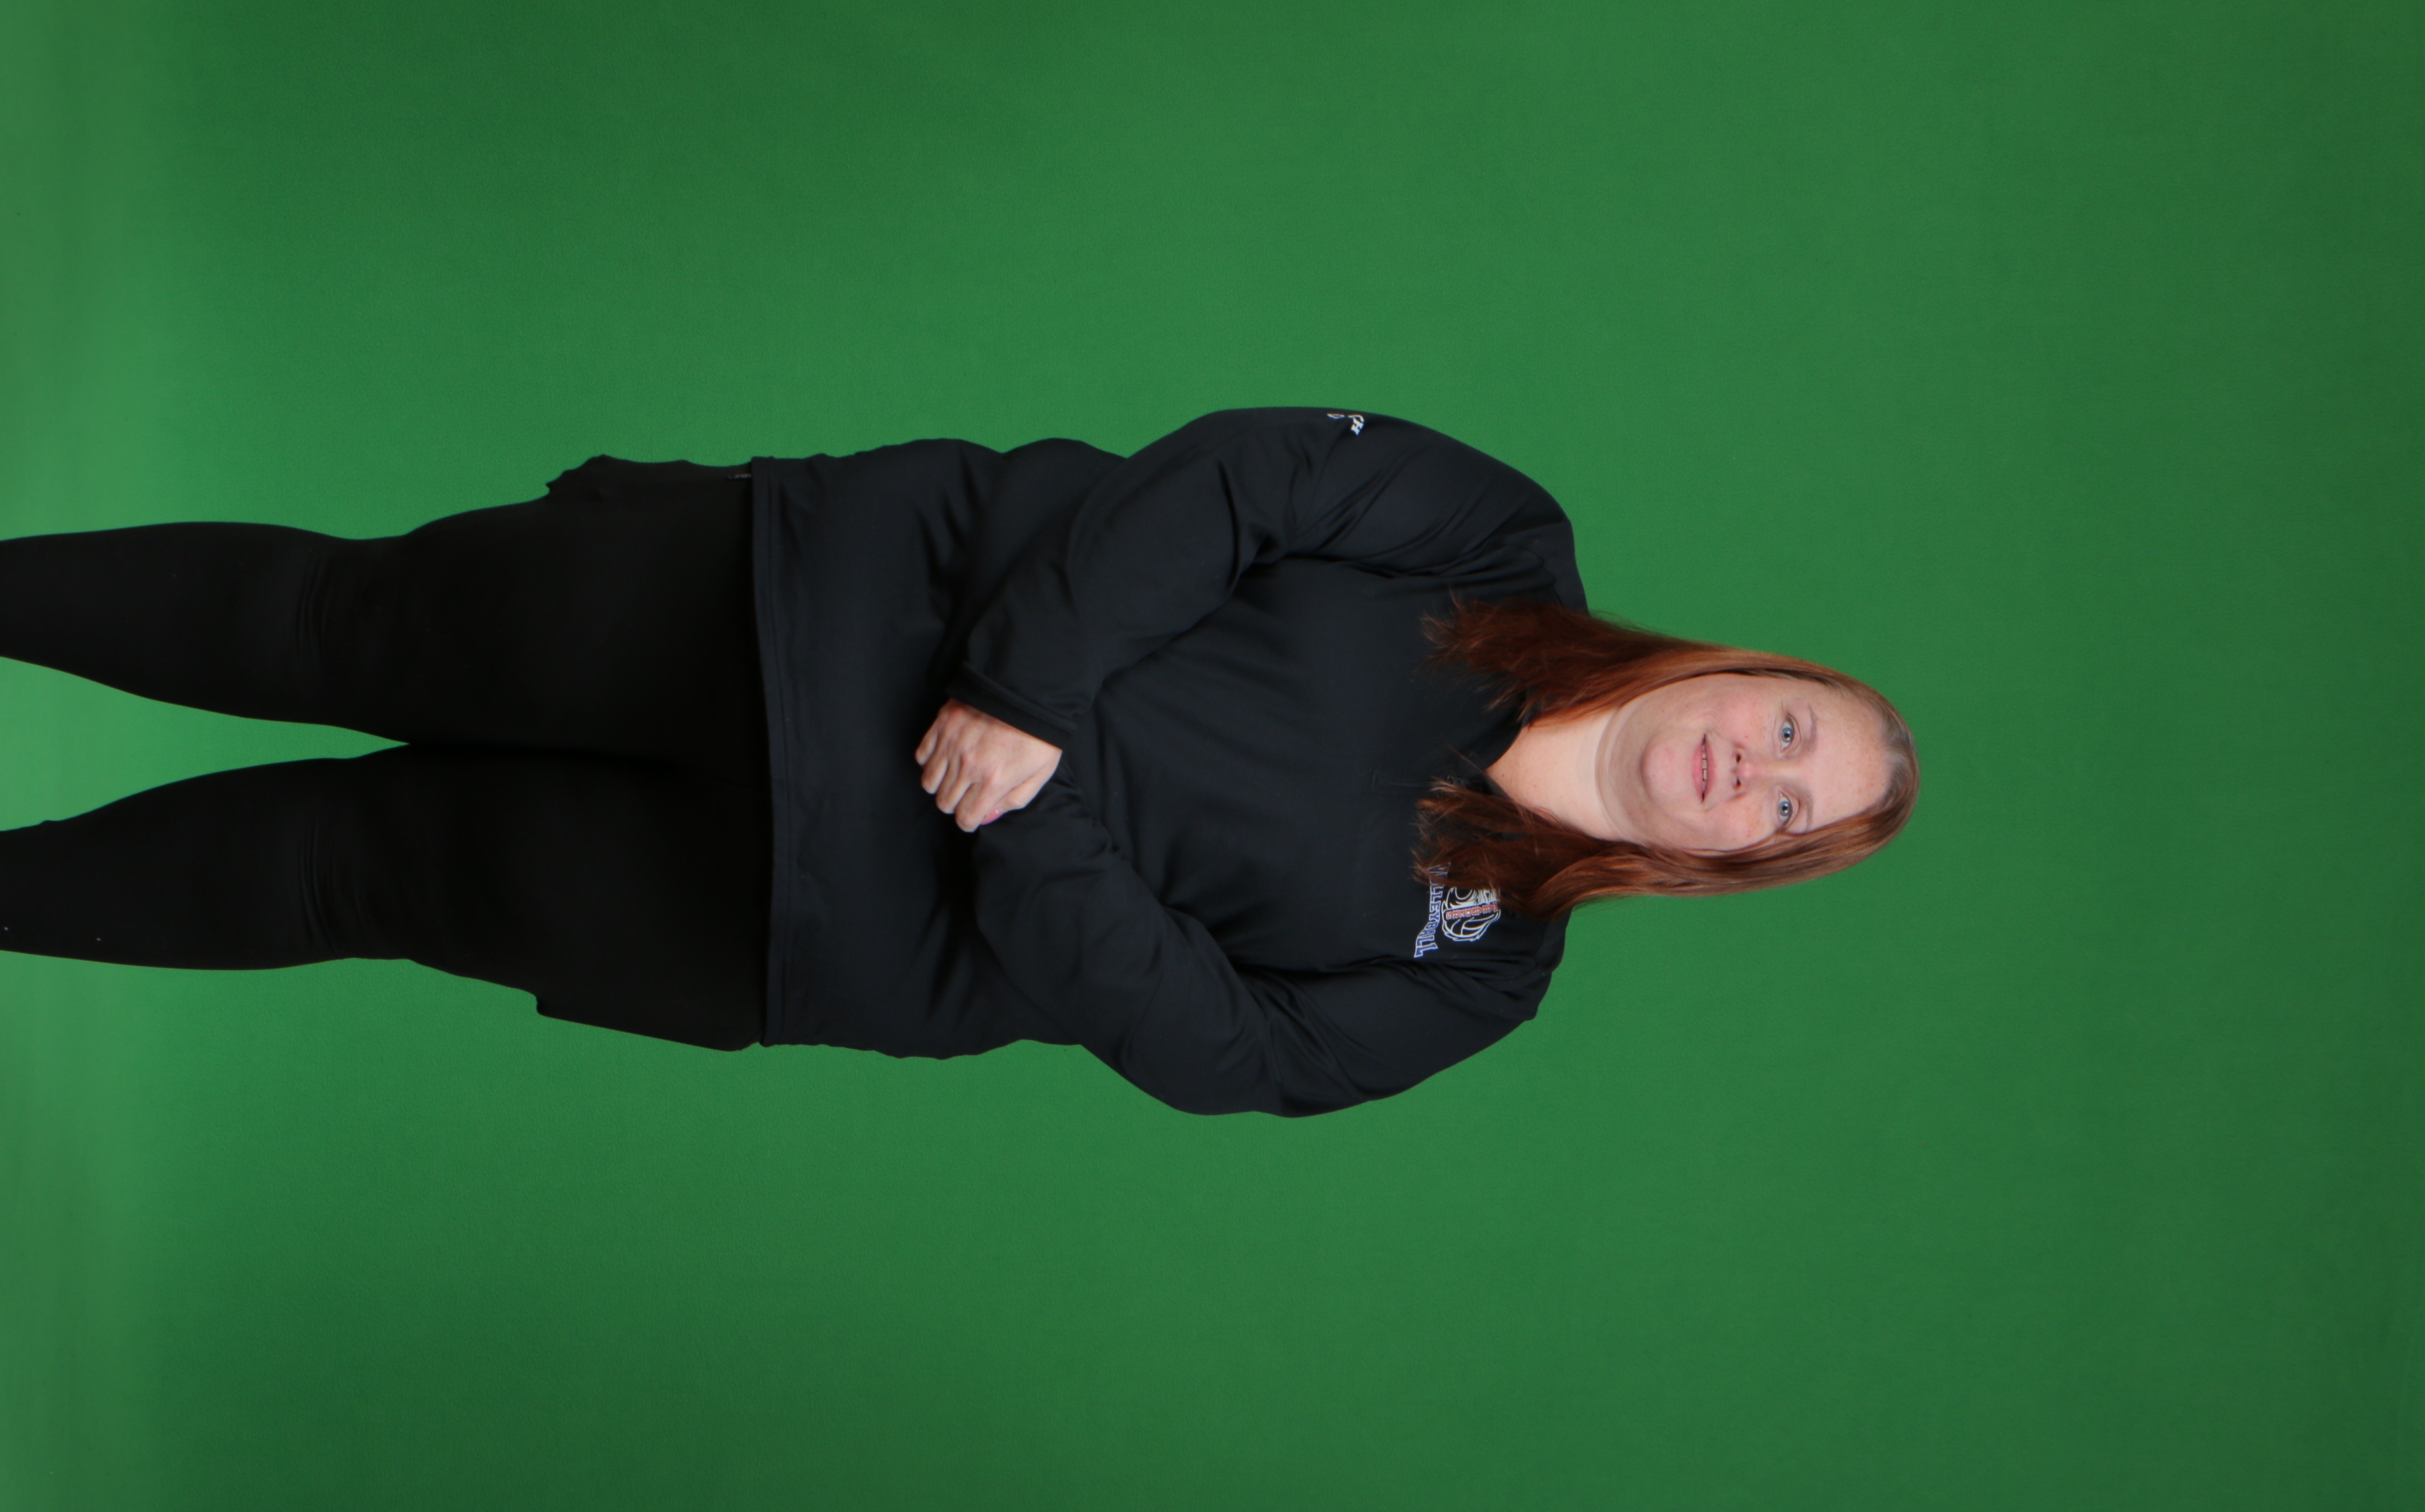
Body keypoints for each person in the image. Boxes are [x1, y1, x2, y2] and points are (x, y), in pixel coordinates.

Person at [0, 409, 1916, 1115]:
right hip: (791, 601)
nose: (1752, 775)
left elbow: (1211, 1046)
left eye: (1788, 816)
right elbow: (1239, 480)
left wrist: (1031, 802)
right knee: (339, 622)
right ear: (1752, 666)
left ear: (1741, 865)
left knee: (345, 874)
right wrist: (1027, 686)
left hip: (787, 924)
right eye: (1790, 730)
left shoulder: (1484, 976)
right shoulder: (1500, 543)